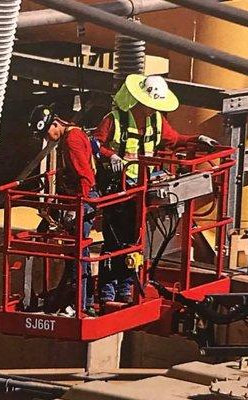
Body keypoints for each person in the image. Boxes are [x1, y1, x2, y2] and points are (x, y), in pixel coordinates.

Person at [92, 74, 220, 306]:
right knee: (115, 243)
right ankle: (108, 295)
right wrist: (111, 156)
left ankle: (125, 291)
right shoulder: (114, 120)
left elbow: (174, 139)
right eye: (150, 106)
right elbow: (95, 144)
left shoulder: (157, 121)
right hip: (117, 190)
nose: (152, 110)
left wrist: (196, 139)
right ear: (139, 101)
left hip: (142, 187)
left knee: (134, 242)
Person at [28, 104, 98, 317]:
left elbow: (85, 176)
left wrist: (78, 207)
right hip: (80, 200)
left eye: (47, 132)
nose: (48, 138)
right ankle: (78, 301)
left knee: (78, 253)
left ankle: (81, 304)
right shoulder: (73, 136)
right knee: (78, 252)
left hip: (82, 200)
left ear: (55, 123)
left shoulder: (72, 141)